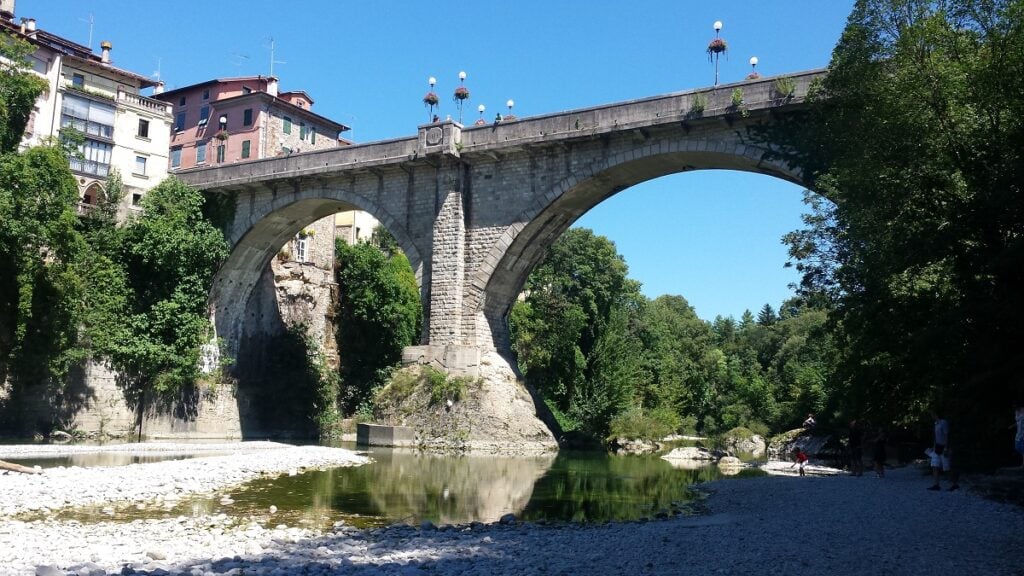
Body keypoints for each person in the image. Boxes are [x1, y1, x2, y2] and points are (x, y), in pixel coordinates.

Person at [928, 410, 959, 491]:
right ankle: (936, 484)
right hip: (937, 447)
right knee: (934, 465)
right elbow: (936, 437)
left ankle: (954, 484)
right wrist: (933, 447)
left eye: (932, 414)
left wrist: (946, 448)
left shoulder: (943, 423)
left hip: (944, 447)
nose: (931, 416)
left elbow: (946, 436)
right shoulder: (936, 424)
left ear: (936, 414)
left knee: (947, 467)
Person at [1011, 404, 1024, 468]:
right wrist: (1013, 426)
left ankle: (1023, 464)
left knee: (1023, 447)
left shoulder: (1023, 410)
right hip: (1019, 432)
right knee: (1017, 446)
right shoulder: (1016, 411)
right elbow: (1018, 421)